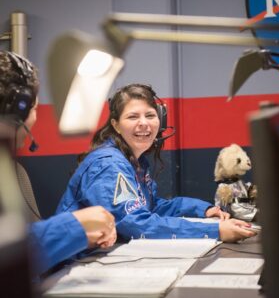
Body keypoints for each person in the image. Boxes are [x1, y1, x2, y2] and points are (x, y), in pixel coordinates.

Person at [56, 83, 256, 242]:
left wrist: (202, 210)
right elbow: (135, 223)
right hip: (75, 264)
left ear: (160, 120)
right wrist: (214, 230)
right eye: (133, 116)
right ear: (116, 125)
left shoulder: (135, 161)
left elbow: (151, 207)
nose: (143, 123)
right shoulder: (109, 165)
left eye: (150, 115)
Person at [0, 50, 117, 275]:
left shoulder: (14, 171)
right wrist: (75, 228)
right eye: (34, 108)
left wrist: (81, 237)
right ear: (17, 111)